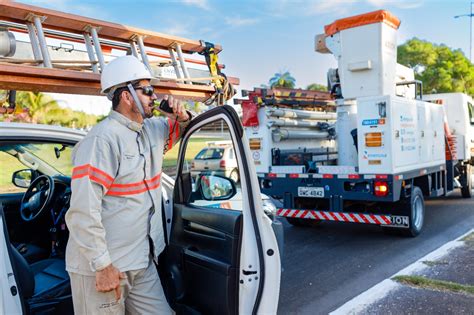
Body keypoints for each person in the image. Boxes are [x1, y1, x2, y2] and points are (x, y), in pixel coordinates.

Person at [65, 55, 191, 314]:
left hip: (141, 261)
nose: (154, 97)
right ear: (126, 95)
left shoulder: (153, 130)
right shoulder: (102, 140)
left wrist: (183, 113)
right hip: (105, 267)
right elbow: (82, 209)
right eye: (147, 91)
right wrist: (102, 265)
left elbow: (187, 127)